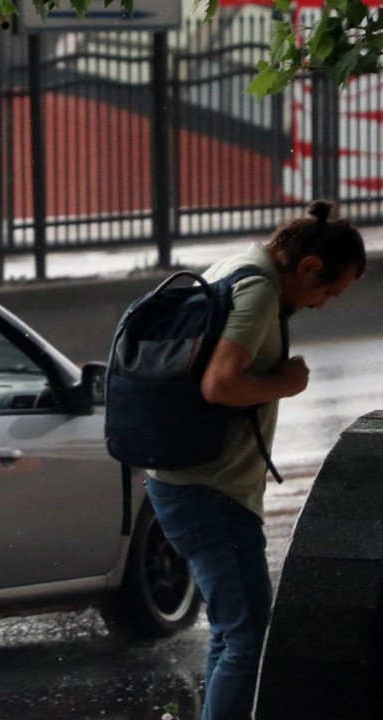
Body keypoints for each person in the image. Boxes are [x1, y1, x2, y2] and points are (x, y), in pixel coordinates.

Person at [143, 199, 366, 720]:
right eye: (328, 290)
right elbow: (219, 383)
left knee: (237, 629)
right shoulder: (260, 291)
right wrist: (284, 383)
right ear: (309, 266)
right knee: (243, 635)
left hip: (204, 487)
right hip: (207, 492)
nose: (324, 303)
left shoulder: (237, 263)